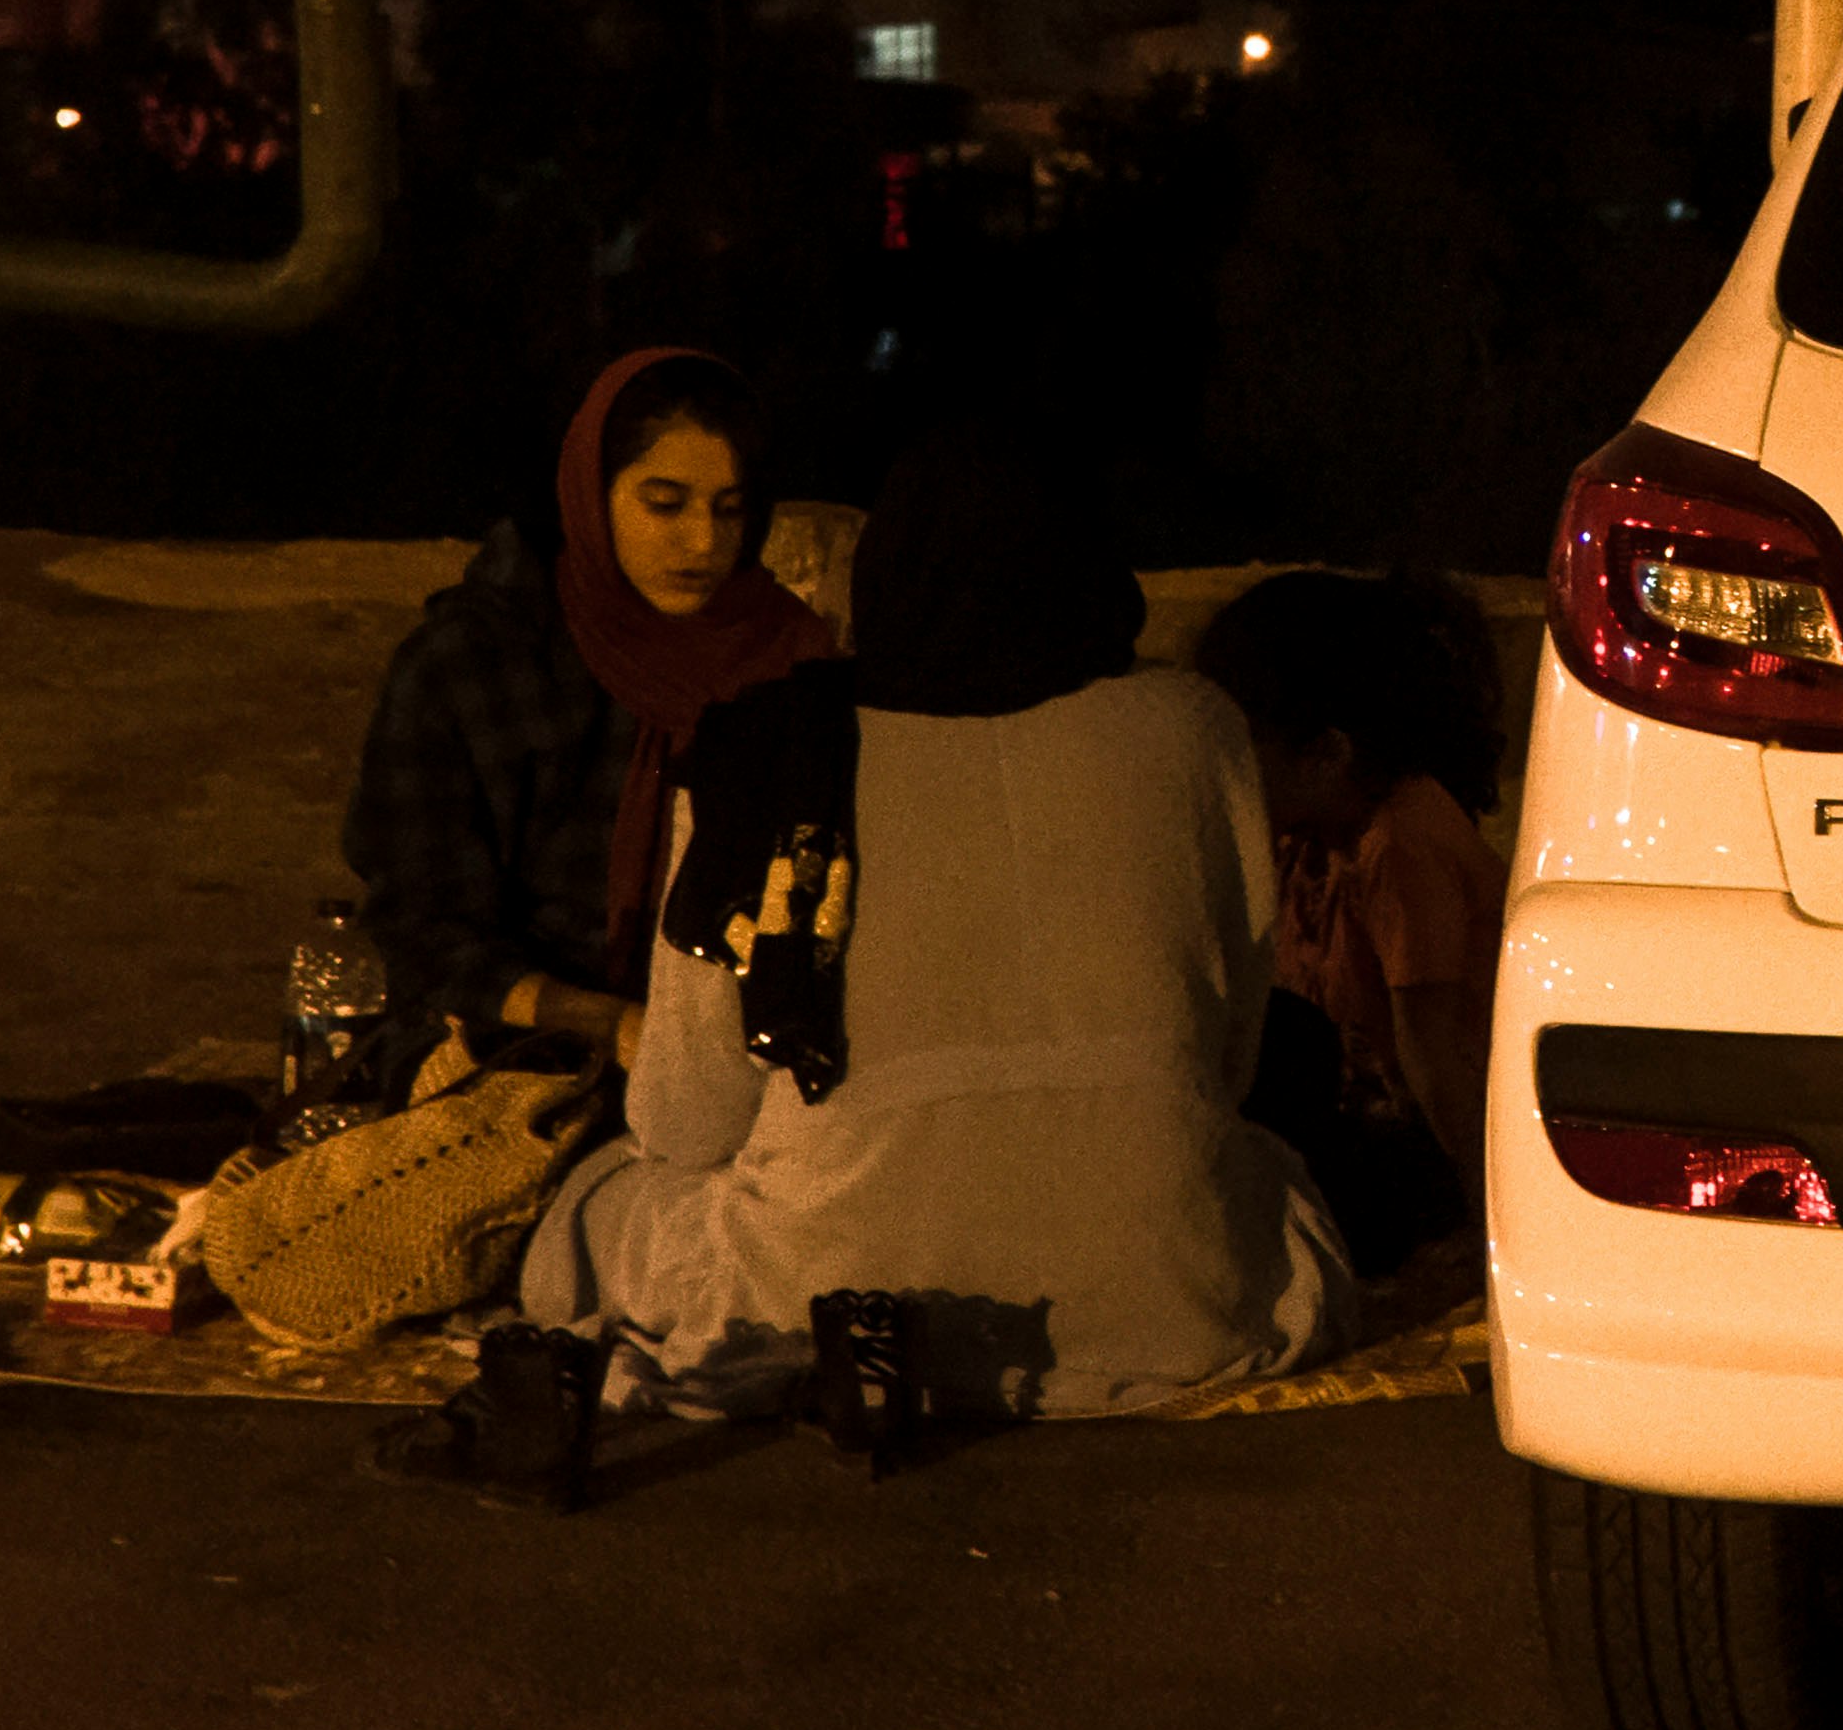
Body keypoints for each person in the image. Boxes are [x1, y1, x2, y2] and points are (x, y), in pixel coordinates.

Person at [515, 431, 1351, 1420]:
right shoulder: (1192, 725)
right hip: (1172, 1298)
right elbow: (1231, 1061)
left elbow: (684, 1121)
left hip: (819, 1290)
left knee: (590, 1214)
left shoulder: (771, 745)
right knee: (1277, 1192)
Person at [342, 349, 827, 1087]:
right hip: (511, 1059)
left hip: (735, 1062)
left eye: (729, 509)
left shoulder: (781, 660)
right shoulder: (477, 663)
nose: (701, 542)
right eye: (664, 504)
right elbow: (425, 930)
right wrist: (608, 1023)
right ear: (590, 495)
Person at [1193, 567, 1507, 1277]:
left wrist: (1488, 1231)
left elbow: (1437, 1062)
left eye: (1242, 750)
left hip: (1450, 1151)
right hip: (1387, 1132)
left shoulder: (1402, 843)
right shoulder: (1306, 841)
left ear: (1328, 752)